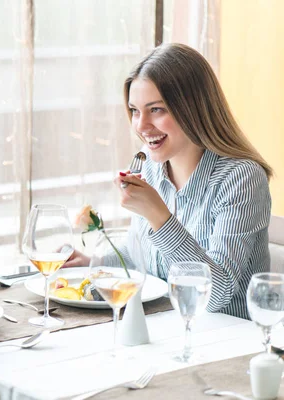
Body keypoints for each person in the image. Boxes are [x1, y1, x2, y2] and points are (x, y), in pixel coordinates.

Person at [65, 43, 272, 320]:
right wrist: (93, 263)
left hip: (227, 343)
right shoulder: (150, 169)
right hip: (167, 329)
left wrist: (159, 216)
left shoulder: (241, 179)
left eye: (157, 110)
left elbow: (217, 292)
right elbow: (144, 252)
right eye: (135, 111)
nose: (141, 126)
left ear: (194, 108)